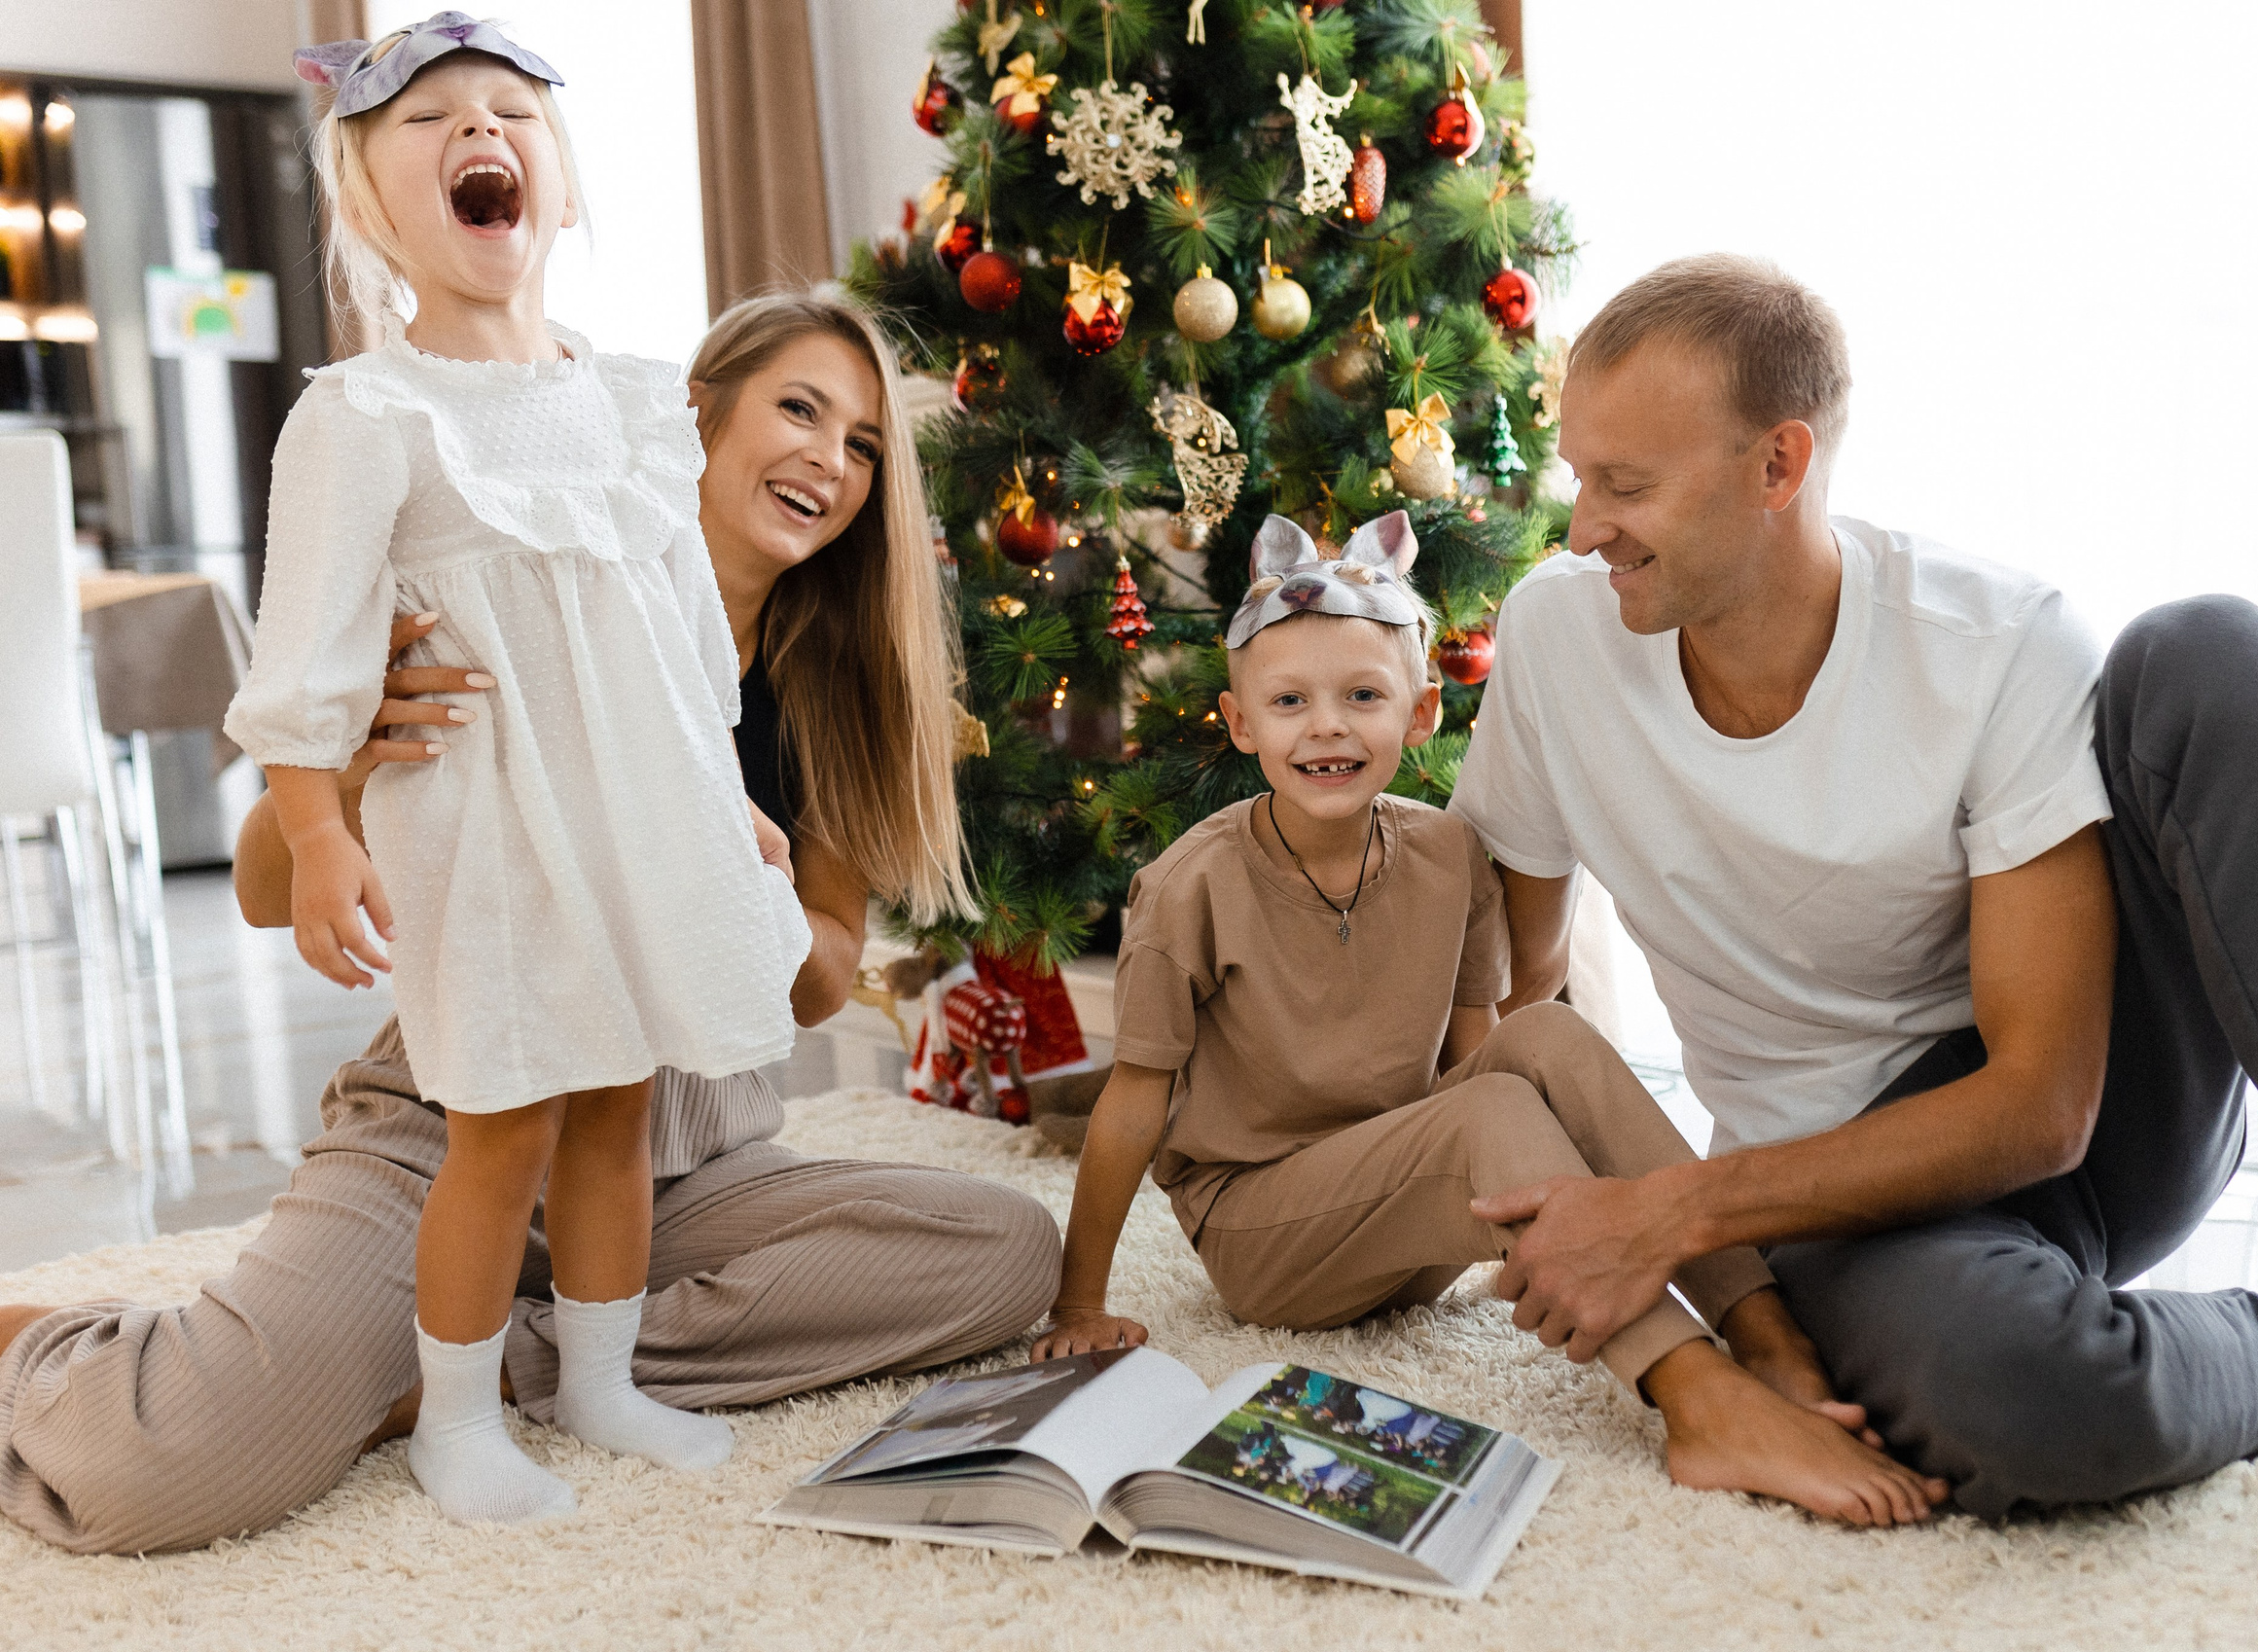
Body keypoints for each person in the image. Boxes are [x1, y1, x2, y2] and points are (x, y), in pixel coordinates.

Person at [1449, 253, 2258, 1594]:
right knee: (2032, 1400)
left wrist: (1672, 1211)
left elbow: (2042, 1105)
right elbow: (1520, 984)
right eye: (1578, 477)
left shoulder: (1994, 641)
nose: (1584, 527)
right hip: (1831, 1183)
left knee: (2212, 651)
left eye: (1627, 485)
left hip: (2091, 1109)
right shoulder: (1556, 640)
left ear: (1778, 465)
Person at [0, 293, 1052, 1556]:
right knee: (160, 1464)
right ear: (690, 417)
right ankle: (83, 1342)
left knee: (998, 1251)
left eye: (865, 444)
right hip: (455, 1113)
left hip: (686, 1148)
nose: (832, 458)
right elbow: (263, 893)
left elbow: (822, 980)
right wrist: (350, 761)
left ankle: (466, 1369)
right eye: (800, 409)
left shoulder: (834, 691)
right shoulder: (489, 596)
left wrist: (719, 879)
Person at [1030, 511, 1948, 1527]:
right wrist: (1079, 1303)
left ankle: (1766, 1331)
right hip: (1266, 1240)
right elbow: (1132, 1104)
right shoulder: (1188, 887)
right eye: (1288, 702)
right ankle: (1697, 1395)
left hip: (1408, 1224)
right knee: (1487, 1111)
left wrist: (1519, 1214)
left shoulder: (1447, 855)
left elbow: (1482, 1058)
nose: (1326, 727)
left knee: (1543, 1032)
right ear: (1240, 723)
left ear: (1421, 711)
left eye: (1362, 696)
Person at [224, 16, 819, 1525]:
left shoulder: (629, 399)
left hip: (637, 807)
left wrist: (730, 798)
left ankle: (601, 1380)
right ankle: (456, 1416)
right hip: (485, 820)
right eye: (432, 123)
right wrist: (321, 835)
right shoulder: (367, 416)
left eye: (511, 114)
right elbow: (306, 662)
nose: (480, 134)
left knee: (620, 1098)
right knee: (503, 1121)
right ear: (372, 203)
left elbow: (685, 632)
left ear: (556, 180)